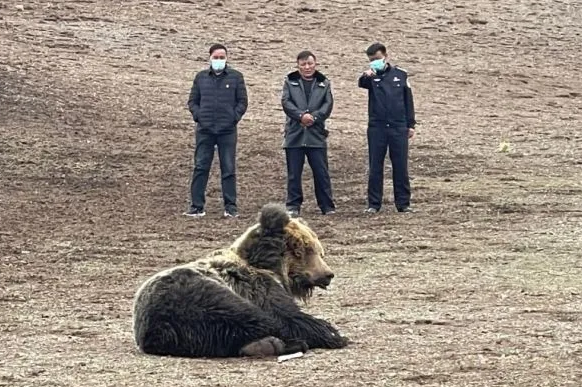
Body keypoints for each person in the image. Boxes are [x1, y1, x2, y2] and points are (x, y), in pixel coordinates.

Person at [184, 43, 248, 218]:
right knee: (200, 166)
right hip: (205, 130)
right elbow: (192, 101)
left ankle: (230, 206)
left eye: (222, 57)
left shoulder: (236, 77)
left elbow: (242, 102)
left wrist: (233, 118)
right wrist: (199, 116)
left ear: (226, 58)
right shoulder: (201, 77)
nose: (219, 60)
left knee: (228, 168)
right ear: (210, 58)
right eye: (216, 57)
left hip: (227, 130)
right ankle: (197, 206)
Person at [358, 42, 416, 214]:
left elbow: (408, 101)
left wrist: (411, 124)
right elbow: (361, 83)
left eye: (377, 59)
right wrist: (367, 75)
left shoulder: (401, 75)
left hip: (398, 126)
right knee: (375, 165)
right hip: (377, 128)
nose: (374, 62)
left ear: (385, 56)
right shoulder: (371, 77)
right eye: (371, 60)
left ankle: (403, 203)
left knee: (400, 166)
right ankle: (374, 204)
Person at [281, 50, 336, 217]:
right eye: (303, 64)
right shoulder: (290, 81)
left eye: (310, 64)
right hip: (295, 134)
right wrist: (300, 116)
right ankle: (293, 206)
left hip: (316, 134)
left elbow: (328, 105)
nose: (307, 67)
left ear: (315, 63)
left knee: (321, 173)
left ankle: (327, 206)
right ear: (298, 65)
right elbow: (286, 102)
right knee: (294, 174)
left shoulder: (324, 83)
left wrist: (315, 117)